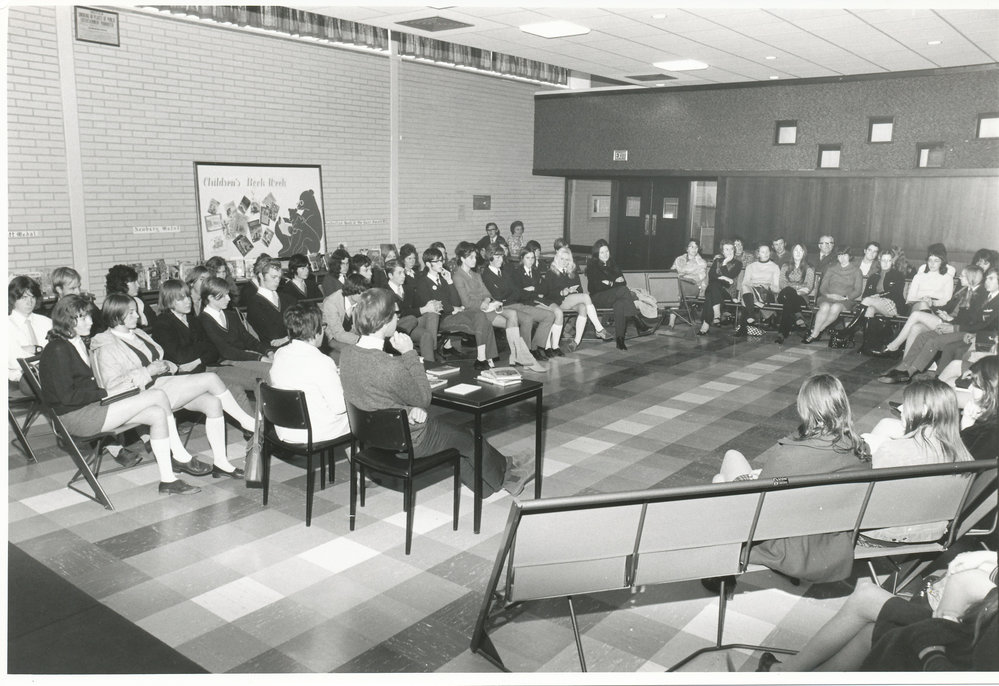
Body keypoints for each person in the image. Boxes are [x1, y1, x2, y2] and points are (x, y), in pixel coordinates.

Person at [339, 288, 533, 496]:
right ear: (385, 322)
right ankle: (504, 477)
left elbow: (372, 394)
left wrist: (405, 407)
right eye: (395, 314)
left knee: (460, 436)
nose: (398, 317)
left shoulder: (347, 354)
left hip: (371, 434)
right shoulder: (388, 366)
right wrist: (409, 353)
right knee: (467, 438)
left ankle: (493, 476)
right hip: (411, 438)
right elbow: (424, 398)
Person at [712, 374, 871, 584]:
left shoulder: (789, 453)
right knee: (735, 467)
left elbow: (758, 503)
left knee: (723, 475)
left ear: (804, 407)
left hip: (789, 544)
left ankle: (720, 570)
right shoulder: (861, 449)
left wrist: (742, 480)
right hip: (832, 540)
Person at [38, 295, 200, 495]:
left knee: (156, 414)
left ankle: (168, 479)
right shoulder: (58, 349)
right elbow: (65, 398)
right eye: (83, 318)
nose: (90, 321)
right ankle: (181, 455)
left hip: (92, 407)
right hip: (75, 417)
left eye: (89, 316)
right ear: (68, 320)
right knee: (156, 395)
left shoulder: (75, 342)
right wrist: (105, 393)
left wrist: (108, 393)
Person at [90, 294, 253, 479]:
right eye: (132, 312)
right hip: (144, 394)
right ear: (117, 316)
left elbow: (157, 359)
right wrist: (148, 371)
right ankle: (247, 422)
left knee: (213, 403)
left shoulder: (138, 333)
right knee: (210, 378)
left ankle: (221, 463)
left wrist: (168, 365)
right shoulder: (106, 346)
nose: (139, 316)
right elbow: (112, 386)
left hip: (163, 384)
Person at [759, 551, 997, 672]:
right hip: (970, 635)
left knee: (867, 599)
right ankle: (795, 676)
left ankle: (786, 673)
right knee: (871, 629)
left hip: (954, 656)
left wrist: (931, 647)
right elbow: (968, 583)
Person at [862, 380, 973, 543]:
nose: (901, 410)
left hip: (882, 534)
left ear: (924, 410)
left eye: (906, 405)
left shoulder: (893, 450)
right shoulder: (964, 456)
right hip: (932, 533)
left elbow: (865, 495)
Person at [151, 279, 266, 418]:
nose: (188, 301)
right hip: (188, 377)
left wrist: (198, 359)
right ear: (169, 301)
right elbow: (179, 357)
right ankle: (253, 432)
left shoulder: (192, 320)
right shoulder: (162, 324)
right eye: (181, 299)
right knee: (235, 389)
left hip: (207, 366)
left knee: (260, 379)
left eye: (188, 296)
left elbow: (213, 350)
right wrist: (202, 349)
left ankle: (262, 424)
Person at [876, 266, 991, 383]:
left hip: (961, 329)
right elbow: (949, 307)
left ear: (971, 277)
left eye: (963, 275)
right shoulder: (964, 290)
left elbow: (973, 321)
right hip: (951, 322)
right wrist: (936, 308)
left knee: (918, 318)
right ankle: (902, 367)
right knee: (918, 331)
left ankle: (905, 365)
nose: (960, 277)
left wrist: (951, 322)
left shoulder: (981, 294)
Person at [452, 241, 547, 371]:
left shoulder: (476, 274)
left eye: (475, 257)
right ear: (462, 258)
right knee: (512, 316)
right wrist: (485, 304)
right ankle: (522, 357)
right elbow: (466, 303)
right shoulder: (458, 276)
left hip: (487, 307)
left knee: (512, 319)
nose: (475, 260)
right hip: (474, 312)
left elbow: (487, 293)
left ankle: (520, 356)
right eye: (471, 257)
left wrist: (486, 300)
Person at [268, 303, 350, 444]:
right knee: (359, 416)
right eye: (323, 327)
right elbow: (340, 407)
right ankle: (362, 461)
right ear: (316, 330)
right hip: (314, 431)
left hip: (284, 427)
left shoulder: (280, 353)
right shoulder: (322, 361)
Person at [413, 246, 498, 371]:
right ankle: (485, 358)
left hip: (453, 314)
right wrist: (452, 308)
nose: (441, 263)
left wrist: (449, 282)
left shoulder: (443, 279)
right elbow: (433, 305)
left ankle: (481, 358)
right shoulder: (423, 282)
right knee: (482, 320)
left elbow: (456, 301)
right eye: (437, 261)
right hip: (441, 319)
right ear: (427, 264)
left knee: (481, 315)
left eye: (441, 260)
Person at [481, 245, 555, 361]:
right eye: (498, 258)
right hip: (502, 308)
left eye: (502, 257)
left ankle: (534, 348)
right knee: (527, 319)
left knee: (549, 315)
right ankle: (525, 353)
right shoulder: (486, 275)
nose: (501, 260)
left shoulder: (504, 272)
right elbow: (497, 296)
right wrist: (509, 294)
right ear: (490, 258)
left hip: (516, 304)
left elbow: (516, 292)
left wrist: (509, 294)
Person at [586, 239, 649, 350]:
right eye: (602, 252)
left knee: (620, 304)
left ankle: (620, 340)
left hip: (615, 297)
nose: (605, 254)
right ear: (597, 254)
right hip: (598, 298)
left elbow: (623, 282)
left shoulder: (613, 264)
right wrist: (614, 283)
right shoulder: (592, 267)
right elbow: (595, 287)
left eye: (607, 251)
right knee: (623, 291)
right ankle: (636, 318)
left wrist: (610, 283)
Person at [546, 246, 612, 350]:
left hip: (571, 300)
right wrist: (562, 292)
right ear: (557, 258)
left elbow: (580, 289)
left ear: (570, 260)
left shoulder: (572, 271)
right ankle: (599, 328)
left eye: (567, 259)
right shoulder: (551, 272)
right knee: (586, 297)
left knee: (583, 307)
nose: (564, 262)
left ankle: (576, 341)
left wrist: (573, 290)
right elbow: (548, 293)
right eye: (562, 259)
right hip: (559, 301)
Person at [199, 277, 275, 365]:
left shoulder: (231, 315)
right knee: (268, 370)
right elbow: (226, 351)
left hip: (243, 357)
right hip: (224, 363)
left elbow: (248, 339)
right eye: (223, 296)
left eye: (227, 294)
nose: (228, 298)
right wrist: (259, 358)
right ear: (211, 298)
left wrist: (268, 351)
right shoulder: (203, 321)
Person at [803, 246, 863, 344]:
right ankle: (816, 332)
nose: (842, 258)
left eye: (845, 255)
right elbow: (823, 287)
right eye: (840, 255)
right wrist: (829, 295)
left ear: (850, 256)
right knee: (825, 307)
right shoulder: (831, 269)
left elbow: (858, 290)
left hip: (845, 300)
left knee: (835, 308)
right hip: (828, 297)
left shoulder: (856, 271)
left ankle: (815, 332)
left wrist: (845, 297)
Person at [512, 248, 564, 357]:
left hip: (539, 299)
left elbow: (544, 289)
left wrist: (533, 289)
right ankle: (543, 347)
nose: (530, 261)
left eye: (532, 258)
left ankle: (552, 346)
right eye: (527, 258)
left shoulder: (535, 271)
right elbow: (518, 294)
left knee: (558, 312)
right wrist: (533, 290)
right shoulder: (516, 273)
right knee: (551, 315)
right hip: (528, 302)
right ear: (522, 259)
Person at [384, 258, 438, 360]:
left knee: (427, 331)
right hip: (395, 326)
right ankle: (434, 349)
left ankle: (429, 365)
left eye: (403, 272)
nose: (404, 276)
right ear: (390, 276)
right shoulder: (384, 292)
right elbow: (400, 313)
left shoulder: (408, 289)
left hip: (411, 325)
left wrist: (429, 305)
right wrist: (423, 309)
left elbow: (418, 305)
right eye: (399, 273)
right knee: (412, 318)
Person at [9, 276, 52, 391]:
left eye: (33, 296)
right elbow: (13, 361)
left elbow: (56, 352)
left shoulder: (46, 322)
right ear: (13, 299)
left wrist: (33, 349)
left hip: (50, 374)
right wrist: (42, 351)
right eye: (24, 297)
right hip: (19, 381)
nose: (30, 301)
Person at [245, 257, 293, 348]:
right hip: (274, 350)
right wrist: (292, 336)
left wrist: (288, 338)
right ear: (261, 276)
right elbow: (273, 336)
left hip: (293, 344)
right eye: (273, 277)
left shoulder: (287, 298)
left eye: (279, 277)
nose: (277, 280)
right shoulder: (254, 304)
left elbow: (305, 325)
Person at [735, 243, 780, 338]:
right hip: (751, 292)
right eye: (763, 252)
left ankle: (744, 326)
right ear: (758, 254)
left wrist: (766, 285)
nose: (766, 253)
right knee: (745, 289)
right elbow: (745, 282)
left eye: (767, 251)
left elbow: (776, 287)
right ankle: (750, 316)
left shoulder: (775, 267)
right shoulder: (751, 266)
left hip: (766, 293)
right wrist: (754, 285)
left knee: (746, 296)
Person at [698, 239, 742, 336]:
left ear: (734, 250)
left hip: (728, 291)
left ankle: (706, 325)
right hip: (715, 289)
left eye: (731, 249)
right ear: (722, 251)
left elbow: (730, 277)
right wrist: (723, 277)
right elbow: (711, 276)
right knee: (714, 286)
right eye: (726, 249)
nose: (729, 252)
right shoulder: (717, 261)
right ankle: (716, 314)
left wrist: (725, 263)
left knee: (711, 294)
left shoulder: (738, 264)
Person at [957, 355, 998, 460]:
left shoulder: (991, 430)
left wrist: (967, 423)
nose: (970, 388)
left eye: (975, 385)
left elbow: (964, 462)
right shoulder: (991, 419)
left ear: (990, 390)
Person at [774, 243, 815, 344]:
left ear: (804, 253)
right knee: (788, 291)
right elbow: (782, 283)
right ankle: (798, 315)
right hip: (783, 295)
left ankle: (782, 333)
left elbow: (808, 287)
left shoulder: (809, 268)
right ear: (792, 252)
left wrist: (795, 290)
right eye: (795, 250)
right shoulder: (785, 266)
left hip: (801, 297)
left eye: (800, 250)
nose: (798, 253)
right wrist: (795, 289)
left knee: (789, 302)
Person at [321, 273, 369, 357]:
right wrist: (361, 340)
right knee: (353, 353)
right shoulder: (331, 302)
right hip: (331, 337)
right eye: (361, 293)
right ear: (351, 291)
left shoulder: (360, 301)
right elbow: (338, 334)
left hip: (349, 335)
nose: (365, 297)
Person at [905, 243, 956, 313]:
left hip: (937, 307)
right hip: (917, 304)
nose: (932, 263)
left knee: (919, 321)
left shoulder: (947, 278)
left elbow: (947, 299)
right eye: (930, 260)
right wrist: (922, 300)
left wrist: (933, 302)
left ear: (942, 262)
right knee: (923, 305)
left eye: (936, 261)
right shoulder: (918, 276)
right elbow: (910, 298)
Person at [669, 239, 708, 328]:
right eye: (692, 247)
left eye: (696, 247)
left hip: (693, 286)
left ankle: (671, 320)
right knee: (674, 286)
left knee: (676, 287)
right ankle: (671, 319)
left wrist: (683, 275)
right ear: (687, 249)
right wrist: (684, 275)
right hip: (679, 285)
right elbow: (672, 272)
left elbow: (700, 277)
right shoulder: (679, 259)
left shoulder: (701, 262)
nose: (694, 249)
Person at [105, 264, 156, 329]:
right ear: (123, 284)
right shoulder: (115, 308)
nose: (138, 285)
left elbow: (155, 321)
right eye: (134, 282)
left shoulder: (139, 300)